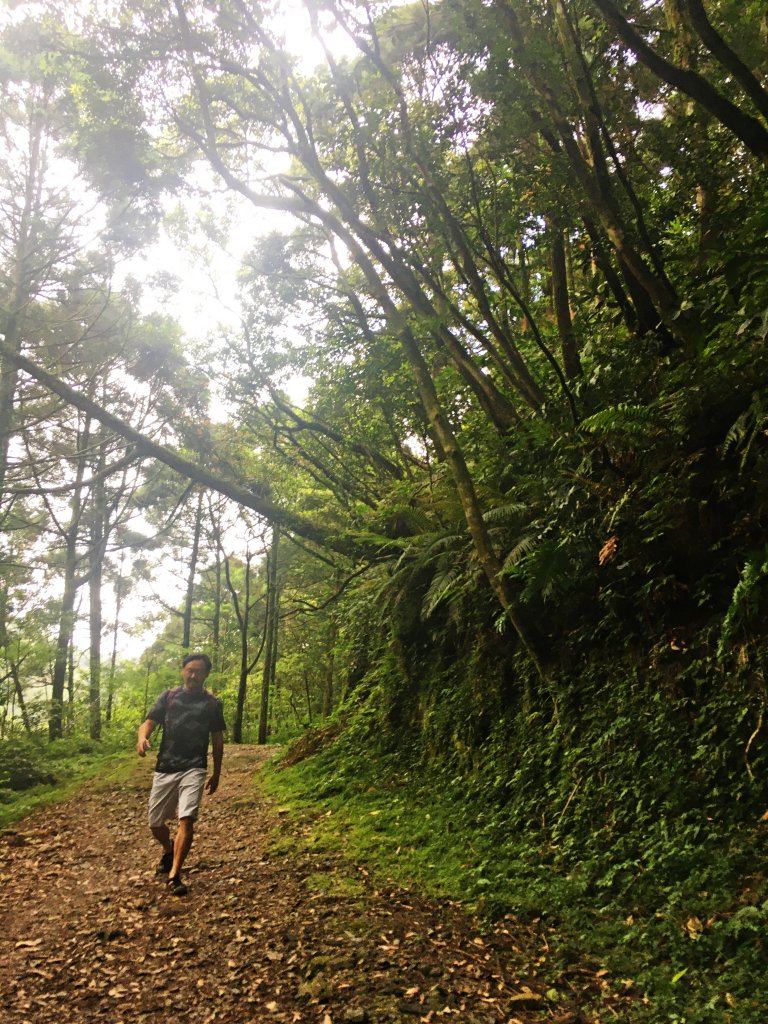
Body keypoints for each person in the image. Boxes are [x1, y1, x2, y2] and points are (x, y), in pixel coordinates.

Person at [136, 653, 225, 896]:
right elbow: (149, 722)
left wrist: (216, 773)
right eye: (189, 670)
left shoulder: (212, 704)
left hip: (194, 767)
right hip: (166, 766)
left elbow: (217, 740)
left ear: (206, 674)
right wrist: (142, 738)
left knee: (187, 818)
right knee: (155, 823)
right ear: (182, 671)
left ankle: (175, 874)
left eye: (198, 671)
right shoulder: (169, 697)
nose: (193, 675)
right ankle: (167, 849)